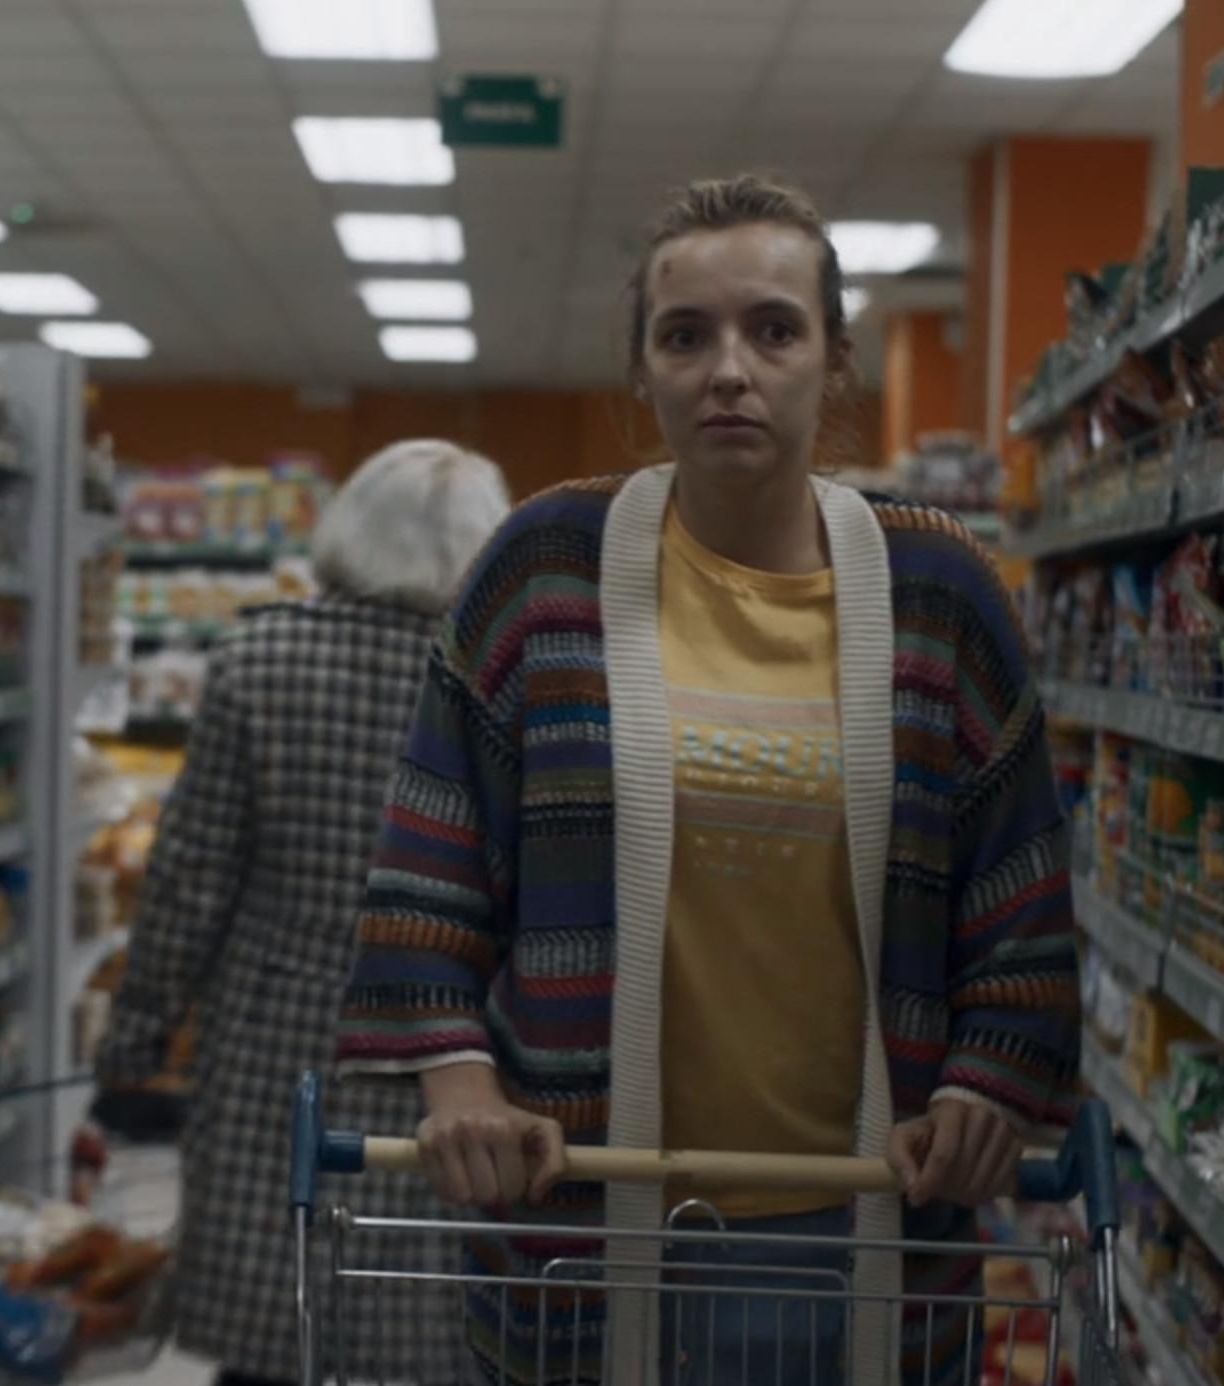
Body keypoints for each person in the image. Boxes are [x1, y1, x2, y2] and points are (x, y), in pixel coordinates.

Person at [334, 173, 1080, 1386]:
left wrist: (990, 1084)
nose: (729, 370)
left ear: (836, 359)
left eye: (774, 330)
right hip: (584, 1225)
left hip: (872, 1224)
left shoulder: (940, 595)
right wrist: (460, 1086)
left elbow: (1021, 898)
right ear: (643, 369)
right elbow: (434, 857)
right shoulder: (544, 570)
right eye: (686, 336)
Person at [95, 439, 515, 1386]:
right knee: (419, 1321)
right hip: (446, 1054)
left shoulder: (259, 660)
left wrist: (135, 1038)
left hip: (274, 1050)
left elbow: (189, 879)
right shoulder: (502, 683)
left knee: (274, 1313)